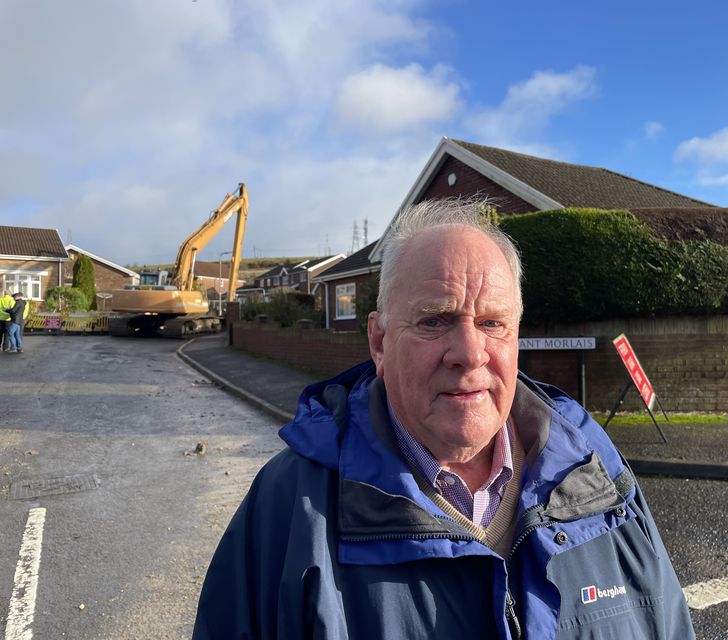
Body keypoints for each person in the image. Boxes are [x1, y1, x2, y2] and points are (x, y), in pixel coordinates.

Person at [193, 200, 695, 639]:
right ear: (378, 341)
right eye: (435, 320)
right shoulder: (290, 507)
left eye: (492, 323)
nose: (470, 353)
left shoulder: (596, 474)